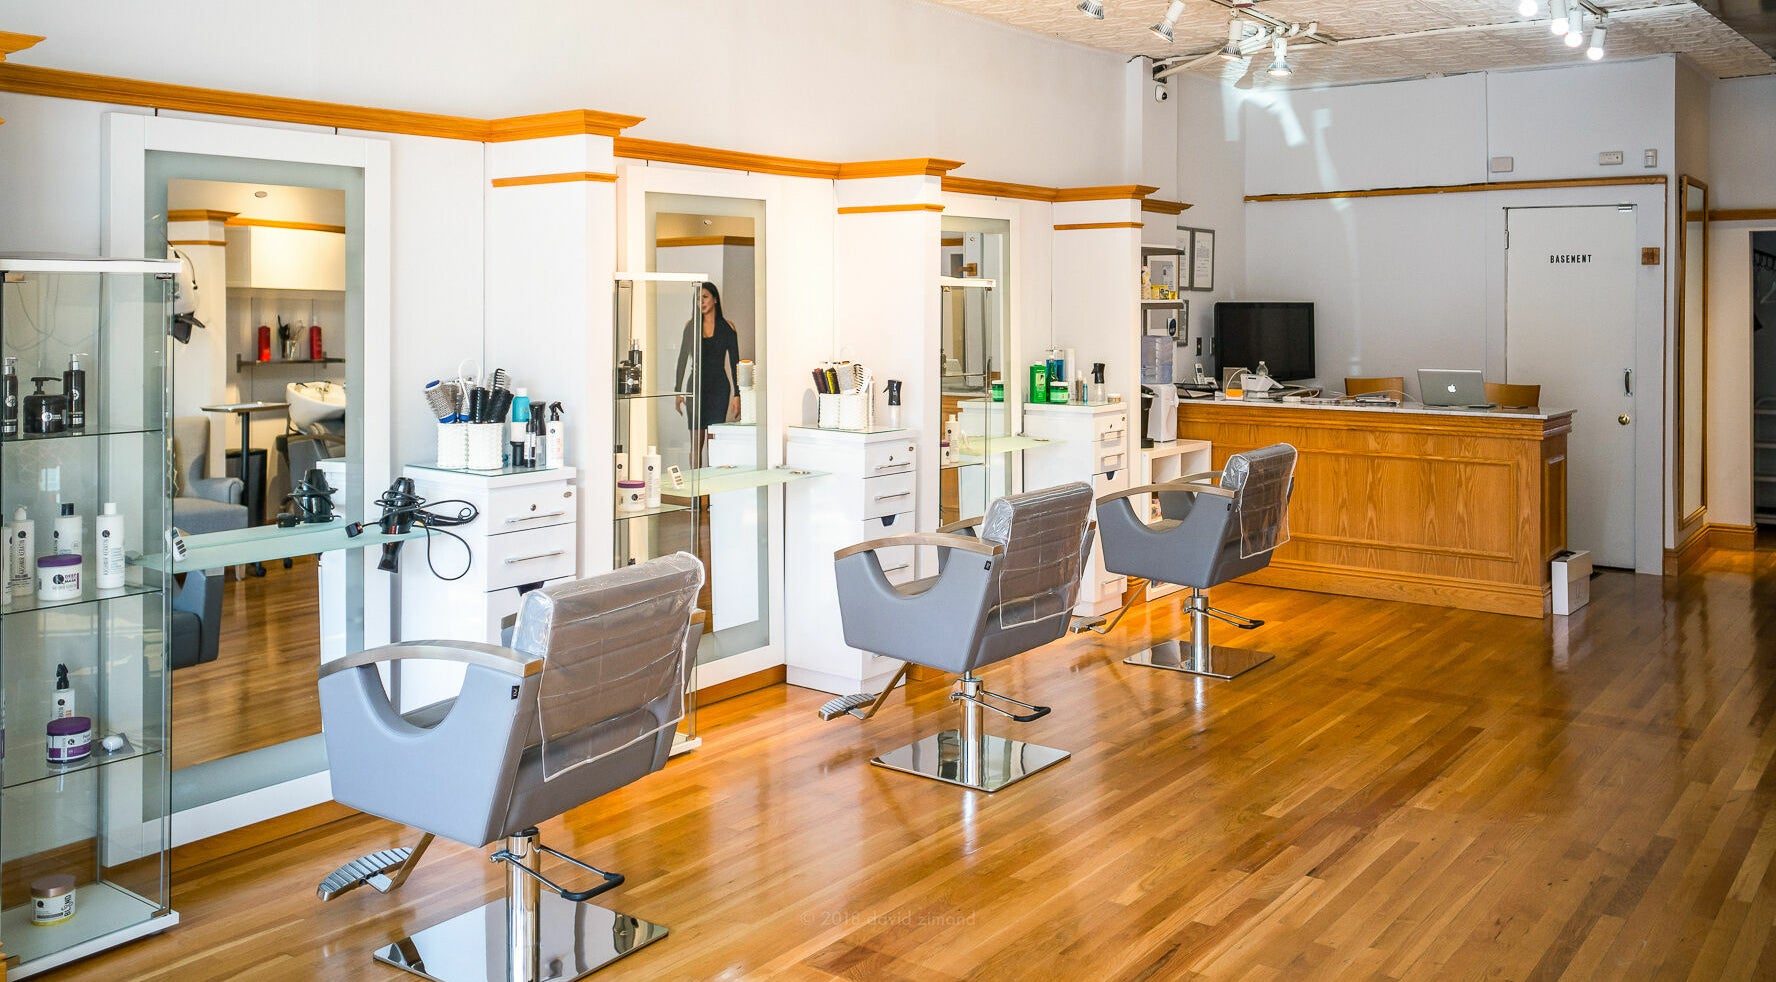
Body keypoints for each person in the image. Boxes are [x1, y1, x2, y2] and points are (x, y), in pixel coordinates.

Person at [674, 281, 741, 465]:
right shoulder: (691, 326)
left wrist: (738, 394)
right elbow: (682, 360)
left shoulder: (728, 327)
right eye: (697, 299)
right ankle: (696, 493)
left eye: (704, 297)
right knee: (696, 443)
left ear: (715, 299)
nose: (701, 302)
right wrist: (678, 391)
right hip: (696, 386)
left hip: (719, 387)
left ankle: (711, 493)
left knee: (713, 442)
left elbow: (735, 362)